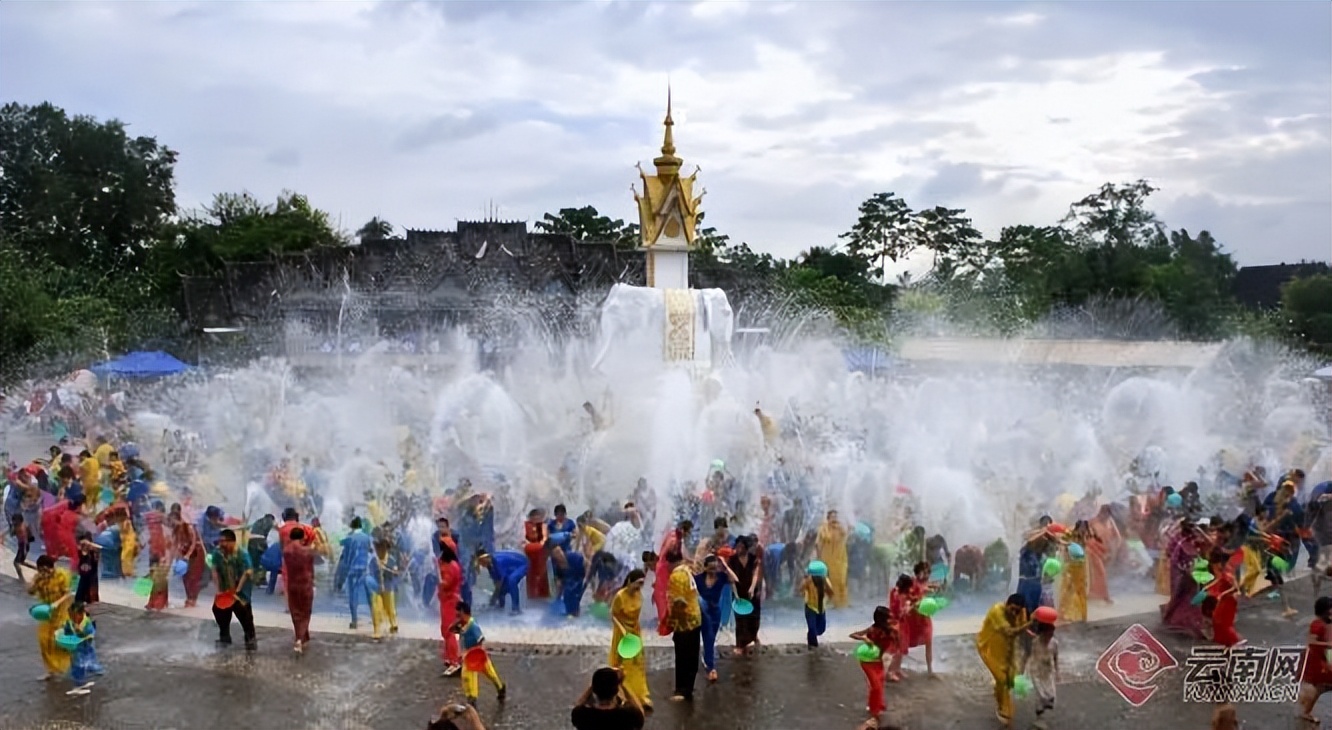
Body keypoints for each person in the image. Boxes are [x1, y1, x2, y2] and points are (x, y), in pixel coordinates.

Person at [977, 593, 1030, 728]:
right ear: (1006, 603)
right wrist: (1030, 623)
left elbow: (1022, 630)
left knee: (1010, 679)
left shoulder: (1021, 612)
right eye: (1011, 609)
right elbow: (1010, 632)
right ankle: (1005, 712)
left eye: (1017, 611)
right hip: (990, 648)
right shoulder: (997, 611)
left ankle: (1000, 697)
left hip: (1008, 648)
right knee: (1002, 680)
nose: (1014, 613)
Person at [849, 605, 897, 729]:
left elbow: (895, 642)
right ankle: (874, 713)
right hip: (867, 662)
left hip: (878, 661)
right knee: (875, 685)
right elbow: (852, 635)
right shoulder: (872, 629)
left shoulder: (891, 630)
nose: (890, 620)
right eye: (888, 618)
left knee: (879, 683)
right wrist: (864, 639)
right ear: (882, 619)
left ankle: (877, 705)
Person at [609, 570, 651, 711]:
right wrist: (623, 631)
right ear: (630, 582)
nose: (640, 587)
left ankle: (640, 694)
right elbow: (613, 615)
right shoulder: (620, 596)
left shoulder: (639, 595)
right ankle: (622, 695)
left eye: (642, 584)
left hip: (635, 632)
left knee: (637, 663)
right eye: (638, 583)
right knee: (622, 665)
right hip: (623, 633)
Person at [28, 554, 73, 680]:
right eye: (41, 570)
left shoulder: (61, 575)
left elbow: (68, 593)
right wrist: (32, 583)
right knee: (43, 640)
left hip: (62, 612)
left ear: (51, 567)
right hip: (46, 613)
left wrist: (57, 603)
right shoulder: (39, 578)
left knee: (57, 641)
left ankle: (69, 663)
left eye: (46, 570)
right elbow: (30, 592)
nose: (44, 573)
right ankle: (50, 670)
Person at [210, 528, 256, 650]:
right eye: (220, 541)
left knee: (244, 614)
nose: (221, 544)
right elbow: (214, 570)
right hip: (225, 589)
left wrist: (237, 590)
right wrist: (218, 590)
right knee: (219, 610)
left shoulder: (242, 553)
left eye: (224, 541)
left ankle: (250, 638)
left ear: (232, 542)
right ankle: (224, 637)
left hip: (240, 591)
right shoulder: (217, 553)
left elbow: (247, 572)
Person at [665, 550, 702, 702]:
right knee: (692, 655)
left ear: (669, 562)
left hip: (684, 622)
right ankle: (688, 687)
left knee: (683, 656)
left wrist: (672, 621)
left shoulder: (676, 576)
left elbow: (679, 602)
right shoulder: (687, 570)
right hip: (695, 618)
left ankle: (681, 690)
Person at [452, 601, 506, 706]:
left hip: (477, 655)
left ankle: (500, 687)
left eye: (458, 613)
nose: (456, 616)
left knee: (491, 674)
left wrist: (476, 653)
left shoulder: (473, 626)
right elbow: (452, 630)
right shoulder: (462, 625)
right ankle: (472, 697)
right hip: (468, 656)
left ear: (463, 612)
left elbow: (481, 640)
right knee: (467, 676)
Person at [694, 554, 736, 682]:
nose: (713, 571)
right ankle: (711, 668)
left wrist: (725, 566)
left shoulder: (721, 577)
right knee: (709, 635)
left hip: (715, 611)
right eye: (711, 568)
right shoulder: (698, 578)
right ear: (705, 568)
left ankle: (708, 661)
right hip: (702, 611)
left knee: (710, 638)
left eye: (715, 568)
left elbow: (734, 579)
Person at [571, 666, 645, 730]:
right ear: (616, 691)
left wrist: (593, 686)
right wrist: (622, 684)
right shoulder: (627, 715)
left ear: (594, 690)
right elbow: (640, 713)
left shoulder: (583, 716)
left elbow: (578, 705)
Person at [654, 520, 692, 635]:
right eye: (688, 532)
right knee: (665, 597)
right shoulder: (674, 541)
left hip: (664, 568)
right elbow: (670, 558)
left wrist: (691, 561)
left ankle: (668, 624)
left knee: (667, 597)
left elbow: (682, 554)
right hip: (665, 570)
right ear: (684, 530)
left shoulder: (675, 536)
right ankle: (665, 626)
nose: (689, 535)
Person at [1299, 596, 1332, 725]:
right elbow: (1311, 642)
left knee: (1321, 687)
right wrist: (1328, 644)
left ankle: (1306, 710)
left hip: (1325, 658)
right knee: (1321, 686)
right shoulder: (1317, 625)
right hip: (1319, 661)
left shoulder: (1325, 622)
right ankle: (1306, 711)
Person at [728, 534, 763, 656]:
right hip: (738, 592)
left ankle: (753, 637)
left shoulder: (754, 558)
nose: (738, 549)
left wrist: (753, 589)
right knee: (740, 619)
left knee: (754, 618)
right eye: (737, 546)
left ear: (746, 548)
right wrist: (735, 594)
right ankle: (740, 645)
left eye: (741, 547)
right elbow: (731, 578)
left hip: (752, 592)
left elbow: (755, 574)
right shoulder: (732, 560)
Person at [284, 526, 317, 653]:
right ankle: (299, 640)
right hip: (305, 584)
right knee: (305, 612)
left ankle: (304, 637)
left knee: (296, 612)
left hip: (292, 584)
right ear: (303, 537)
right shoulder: (307, 551)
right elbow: (313, 565)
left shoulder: (286, 550)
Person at [1023, 614, 1059, 730]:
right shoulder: (1035, 642)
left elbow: (1055, 657)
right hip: (1036, 672)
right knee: (1041, 696)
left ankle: (1041, 713)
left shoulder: (1054, 643)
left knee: (1051, 696)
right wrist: (1022, 670)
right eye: (1048, 634)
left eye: (1051, 634)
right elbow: (1026, 655)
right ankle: (1039, 718)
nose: (1049, 637)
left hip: (1048, 671)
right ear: (1042, 633)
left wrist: (1058, 671)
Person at [339, 516, 374, 630]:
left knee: (353, 594)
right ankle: (374, 618)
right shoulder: (367, 537)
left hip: (352, 569)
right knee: (369, 593)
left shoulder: (350, 538)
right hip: (365, 569)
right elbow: (371, 550)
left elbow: (341, 543)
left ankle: (354, 620)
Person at [63, 601, 104, 695]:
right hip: (76, 648)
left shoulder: (86, 624)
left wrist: (82, 635)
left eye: (74, 616)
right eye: (71, 616)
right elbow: (67, 631)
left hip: (86, 647)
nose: (73, 618)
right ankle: (79, 683)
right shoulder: (70, 622)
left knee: (86, 663)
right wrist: (65, 639)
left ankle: (81, 682)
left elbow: (91, 635)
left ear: (81, 614)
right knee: (77, 666)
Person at [905, 561, 936, 676]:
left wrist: (931, 587)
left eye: (928, 572)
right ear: (918, 572)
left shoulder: (923, 583)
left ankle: (930, 670)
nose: (927, 575)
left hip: (924, 618)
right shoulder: (912, 584)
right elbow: (912, 595)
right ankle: (891, 667)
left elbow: (925, 586)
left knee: (928, 640)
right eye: (924, 572)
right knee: (903, 642)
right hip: (913, 617)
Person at [438, 541, 464, 676]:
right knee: (445, 629)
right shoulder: (445, 562)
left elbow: (447, 583)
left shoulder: (452, 566)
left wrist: (441, 582)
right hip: (445, 600)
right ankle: (449, 656)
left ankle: (455, 661)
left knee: (450, 630)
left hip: (450, 601)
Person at [476, 547, 526, 614]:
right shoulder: (490, 565)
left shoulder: (497, 562)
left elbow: (499, 583)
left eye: (482, 561)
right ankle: (501, 605)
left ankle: (516, 608)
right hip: (511, 567)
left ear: (487, 557)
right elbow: (496, 581)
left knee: (512, 580)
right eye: (480, 562)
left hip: (522, 564)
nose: (481, 564)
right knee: (503, 586)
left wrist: (492, 601)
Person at [816, 511, 849, 609]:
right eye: (832, 517)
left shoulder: (840, 528)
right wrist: (818, 558)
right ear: (828, 518)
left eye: (836, 516)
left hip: (840, 559)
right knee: (828, 580)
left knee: (841, 580)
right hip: (827, 559)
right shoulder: (823, 528)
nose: (834, 519)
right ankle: (827, 602)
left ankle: (840, 604)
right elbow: (818, 544)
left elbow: (846, 535)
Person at [370, 538, 401, 640]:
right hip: (376, 588)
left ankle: (393, 624)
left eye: (383, 549)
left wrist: (392, 571)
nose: (380, 551)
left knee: (390, 608)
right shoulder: (374, 560)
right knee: (376, 608)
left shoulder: (391, 560)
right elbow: (371, 573)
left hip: (388, 587)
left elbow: (395, 573)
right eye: (378, 549)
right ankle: (377, 630)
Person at [1059, 527, 1089, 623]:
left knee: (1068, 591)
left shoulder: (1070, 546)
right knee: (1079, 592)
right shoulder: (1079, 546)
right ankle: (1082, 615)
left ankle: (1064, 613)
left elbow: (1067, 560)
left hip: (1073, 571)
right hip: (1079, 572)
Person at [800, 561, 831, 648]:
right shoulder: (808, 581)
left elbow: (831, 593)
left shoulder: (825, 580)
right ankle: (812, 647)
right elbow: (800, 589)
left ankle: (811, 636)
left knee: (821, 629)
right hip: (810, 608)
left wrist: (827, 600)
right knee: (812, 629)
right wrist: (807, 580)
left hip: (821, 608)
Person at [523, 509, 550, 599]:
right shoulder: (525, 525)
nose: (536, 518)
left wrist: (541, 544)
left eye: (538, 516)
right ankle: (531, 594)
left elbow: (544, 538)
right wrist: (528, 544)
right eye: (534, 516)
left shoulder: (542, 526)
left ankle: (543, 594)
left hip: (540, 551)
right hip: (529, 551)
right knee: (530, 572)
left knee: (542, 572)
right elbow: (523, 538)